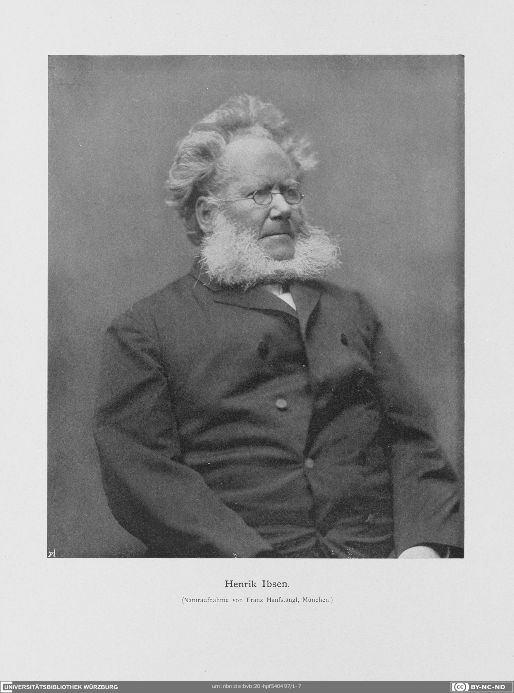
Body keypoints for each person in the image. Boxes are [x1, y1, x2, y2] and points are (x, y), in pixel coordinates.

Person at [94, 94, 463, 558]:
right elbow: (144, 476)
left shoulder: (350, 310)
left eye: (290, 191)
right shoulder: (145, 331)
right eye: (260, 194)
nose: (283, 207)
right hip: (238, 576)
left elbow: (412, 441)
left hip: (378, 565)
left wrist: (423, 547)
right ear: (208, 215)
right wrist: (256, 569)